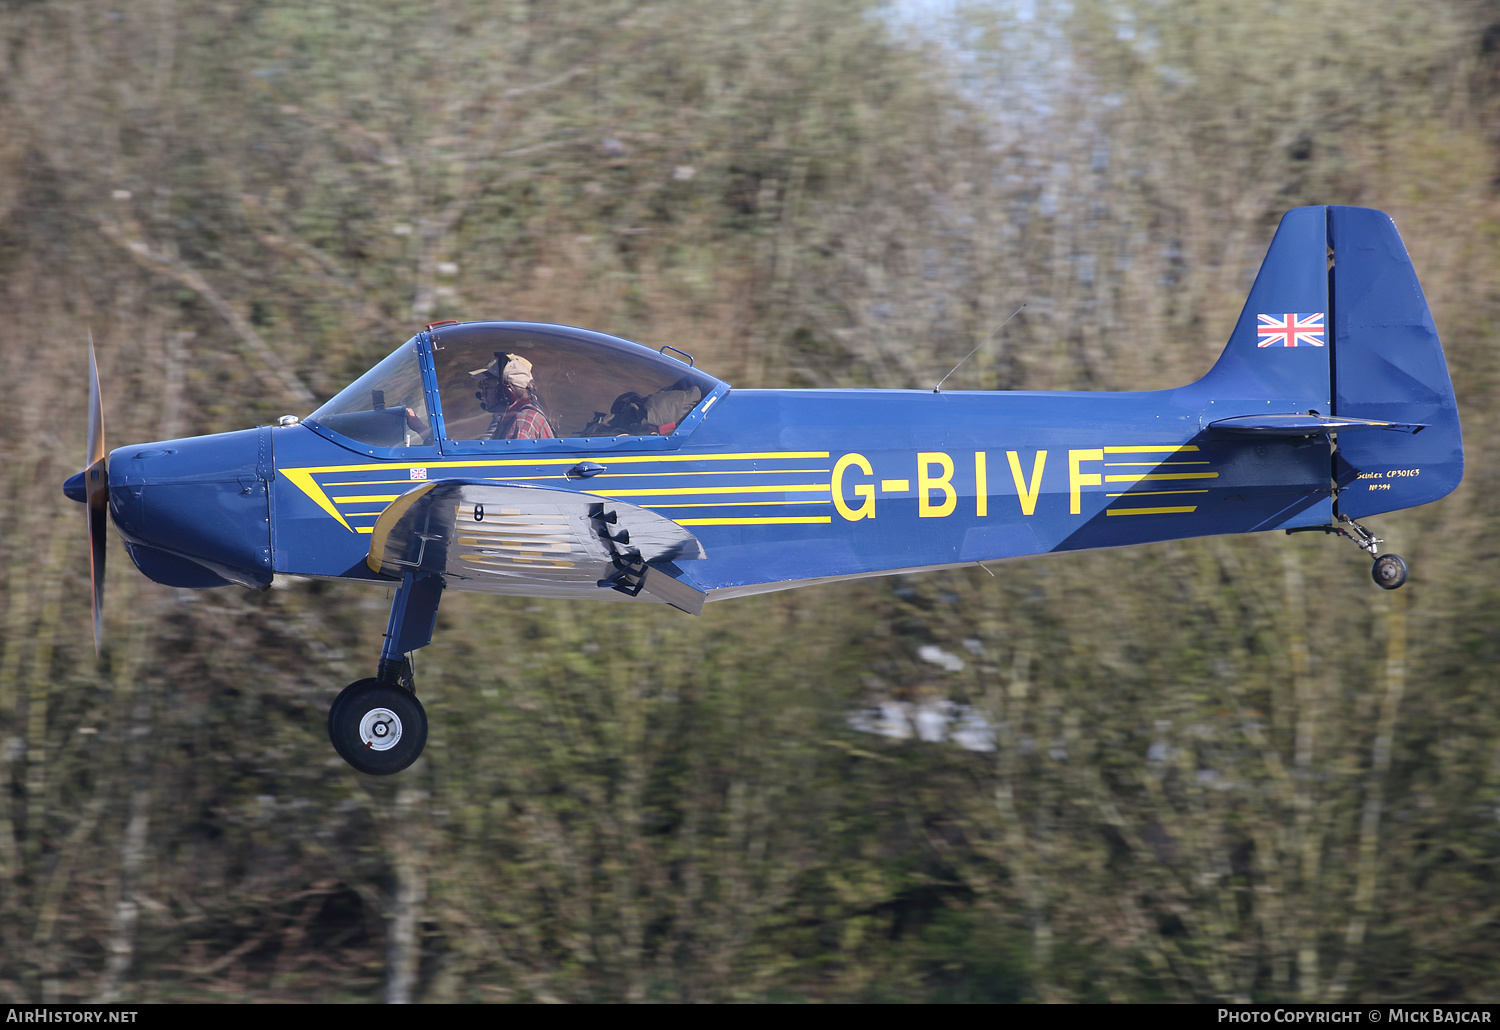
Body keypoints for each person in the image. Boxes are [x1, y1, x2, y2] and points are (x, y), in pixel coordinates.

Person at [469, 352, 555, 440]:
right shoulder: (507, 418)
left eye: (486, 387)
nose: (482, 394)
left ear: (507, 391)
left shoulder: (523, 421)